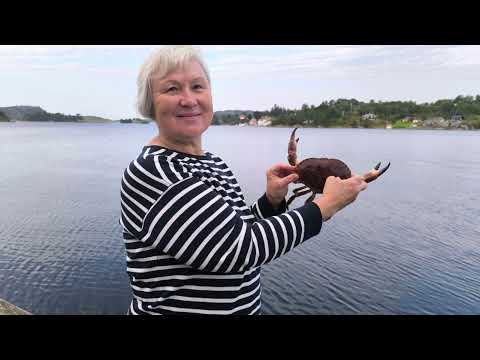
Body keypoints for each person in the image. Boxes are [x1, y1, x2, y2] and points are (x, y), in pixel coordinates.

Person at [120, 45, 368, 315]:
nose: (189, 99)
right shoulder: (152, 172)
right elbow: (236, 251)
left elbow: (234, 229)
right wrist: (324, 207)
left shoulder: (212, 162)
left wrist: (271, 202)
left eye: (198, 86)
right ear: (149, 104)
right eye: (172, 89)